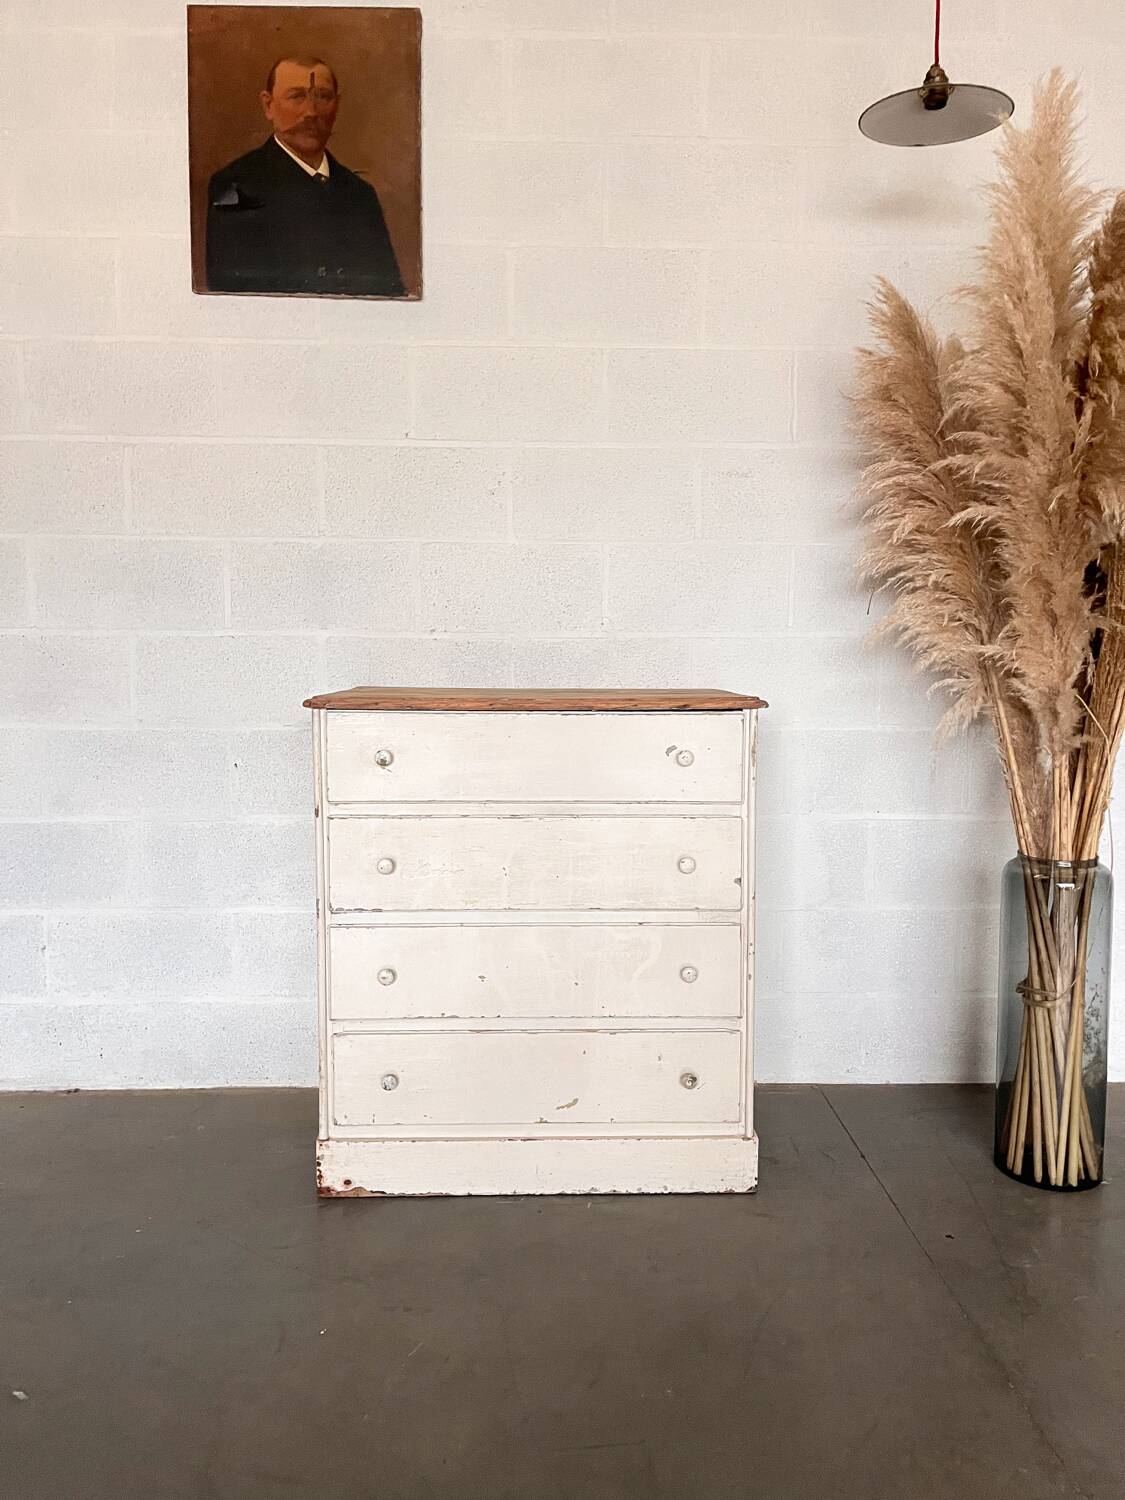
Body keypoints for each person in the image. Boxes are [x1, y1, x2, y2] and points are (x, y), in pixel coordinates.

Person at [205, 56, 405, 298]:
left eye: (323, 96)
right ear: (268, 105)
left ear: (337, 104)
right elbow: (233, 297)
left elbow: (387, 293)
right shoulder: (235, 186)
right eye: (297, 96)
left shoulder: (360, 195)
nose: (311, 112)